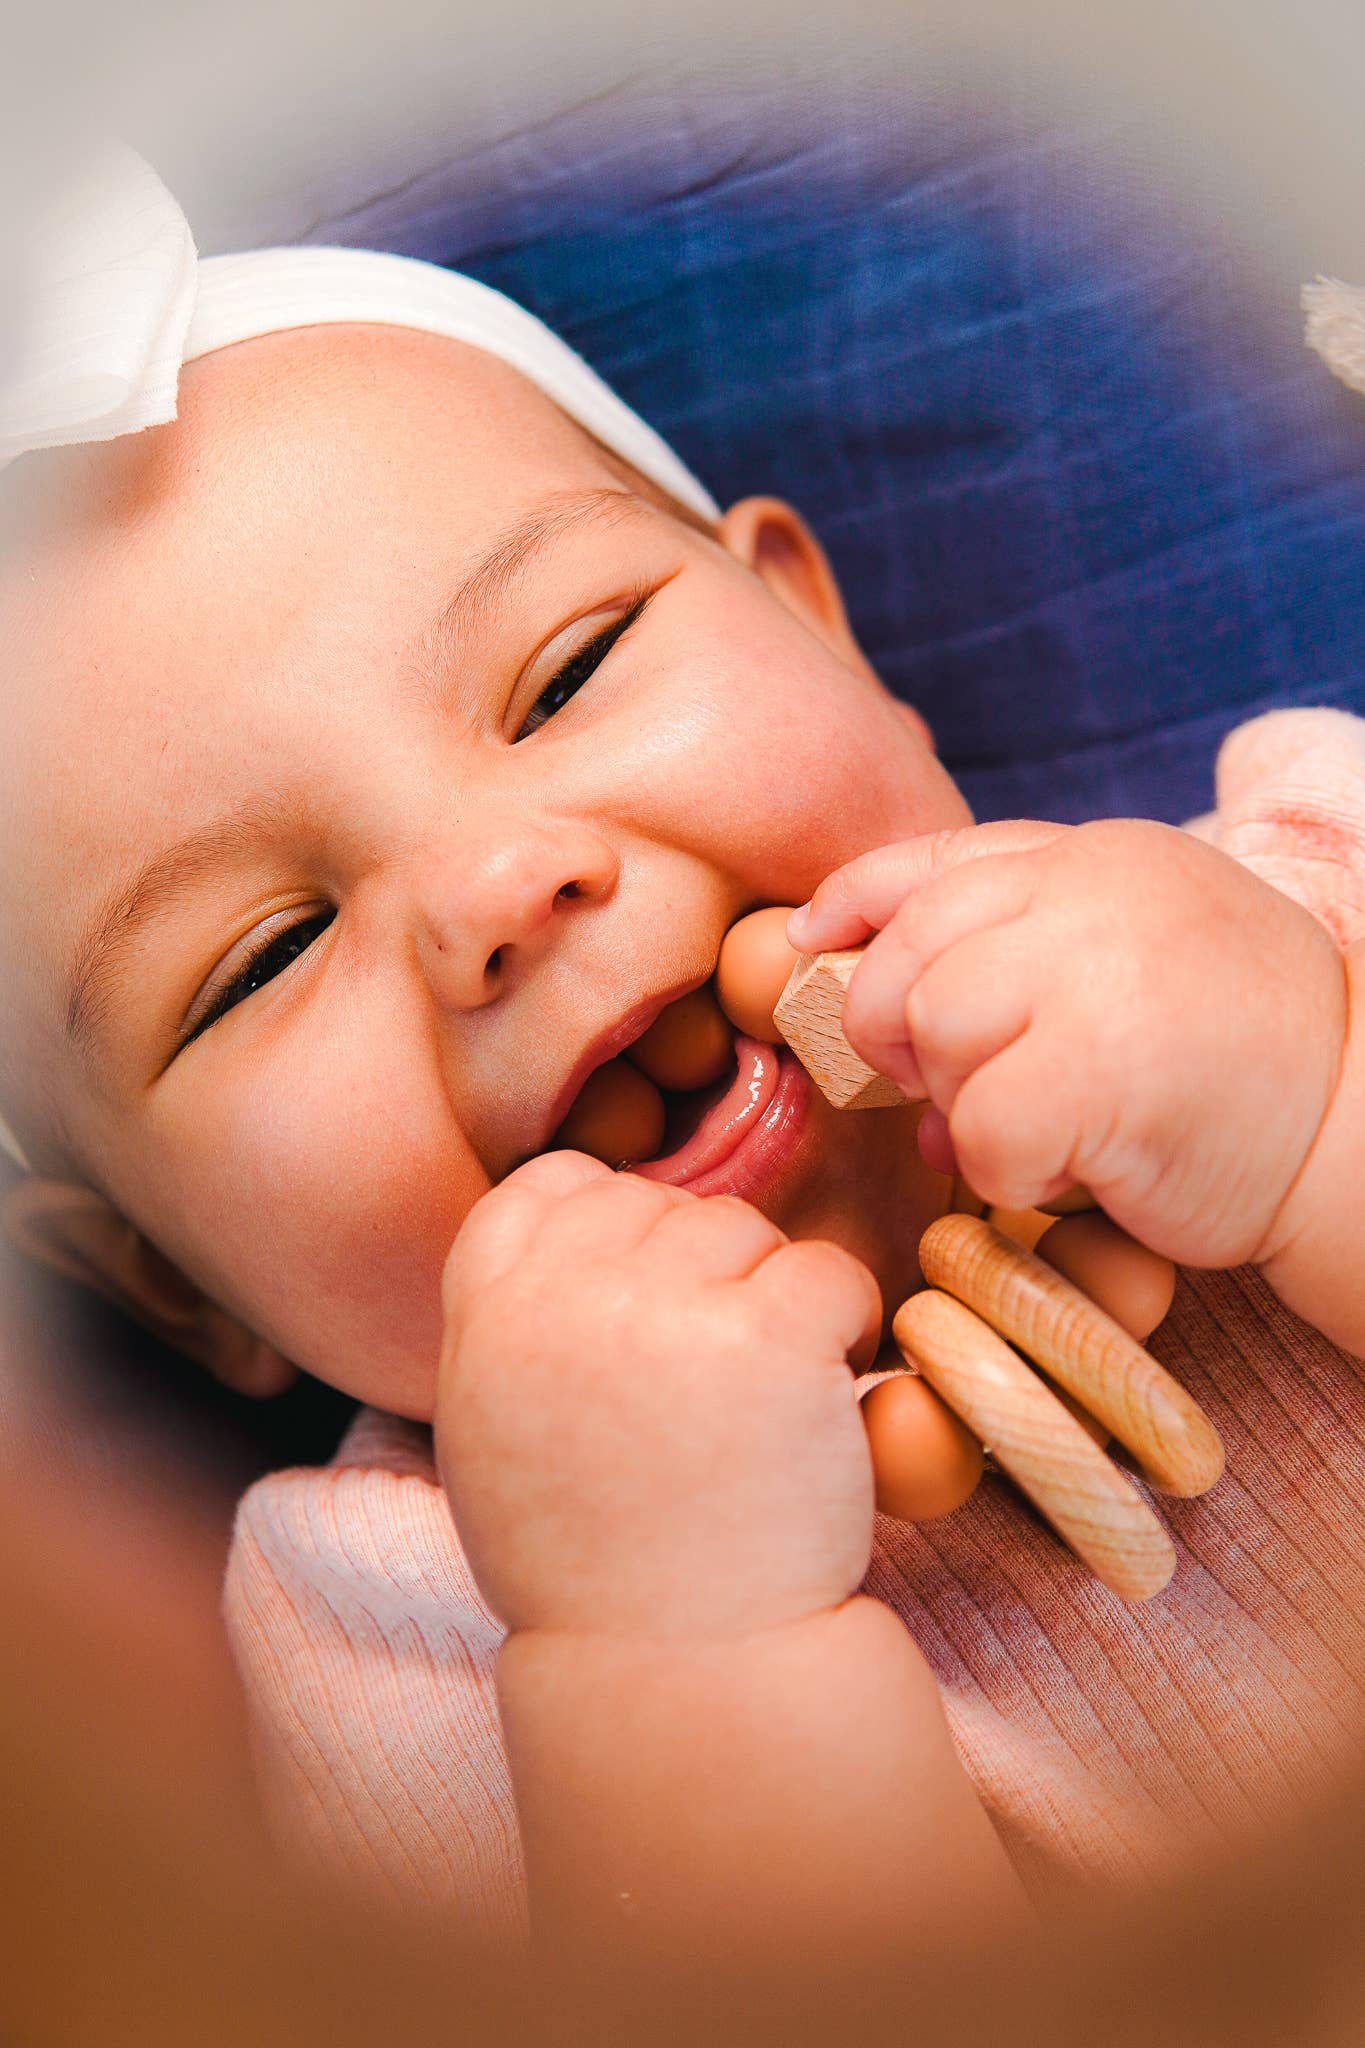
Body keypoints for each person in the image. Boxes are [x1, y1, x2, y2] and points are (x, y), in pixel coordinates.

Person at [2, 153, 1363, 1968]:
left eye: (564, 675)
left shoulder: (1304, 887)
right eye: (257, 960)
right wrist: (673, 1657)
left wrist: (1316, 1108)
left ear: (820, 628)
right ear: (177, 1286)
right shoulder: (411, 1634)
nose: (495, 890)